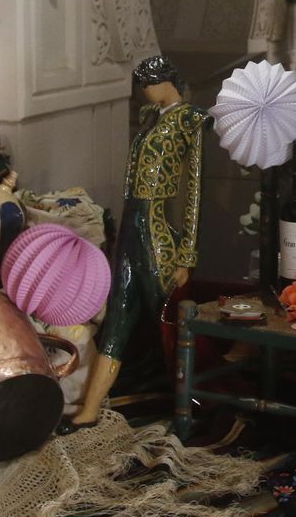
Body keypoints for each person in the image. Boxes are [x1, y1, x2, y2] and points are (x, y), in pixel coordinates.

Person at [68, 55, 209, 428]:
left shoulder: (191, 120)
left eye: (149, 84)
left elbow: (194, 191)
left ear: (167, 82)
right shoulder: (150, 117)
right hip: (132, 226)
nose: (145, 91)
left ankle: (191, 403)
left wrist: (187, 254)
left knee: (167, 321)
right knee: (118, 313)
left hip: (158, 233)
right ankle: (89, 409)